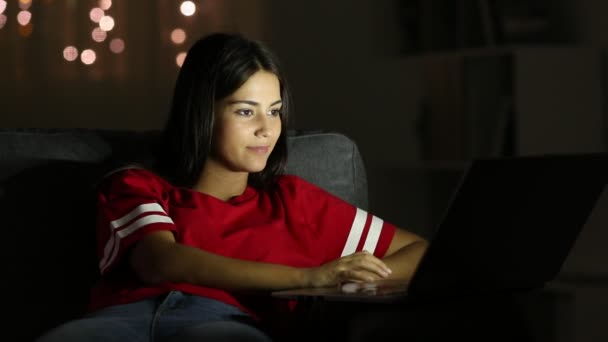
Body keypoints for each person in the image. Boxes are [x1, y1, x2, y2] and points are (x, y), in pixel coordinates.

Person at [35, 32, 428, 342]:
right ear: (203, 113)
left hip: (224, 322)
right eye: (245, 111)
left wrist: (353, 279)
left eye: (274, 112)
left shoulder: (293, 201)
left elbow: (422, 252)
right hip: (120, 319)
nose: (266, 128)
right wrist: (310, 277)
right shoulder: (137, 184)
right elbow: (159, 263)